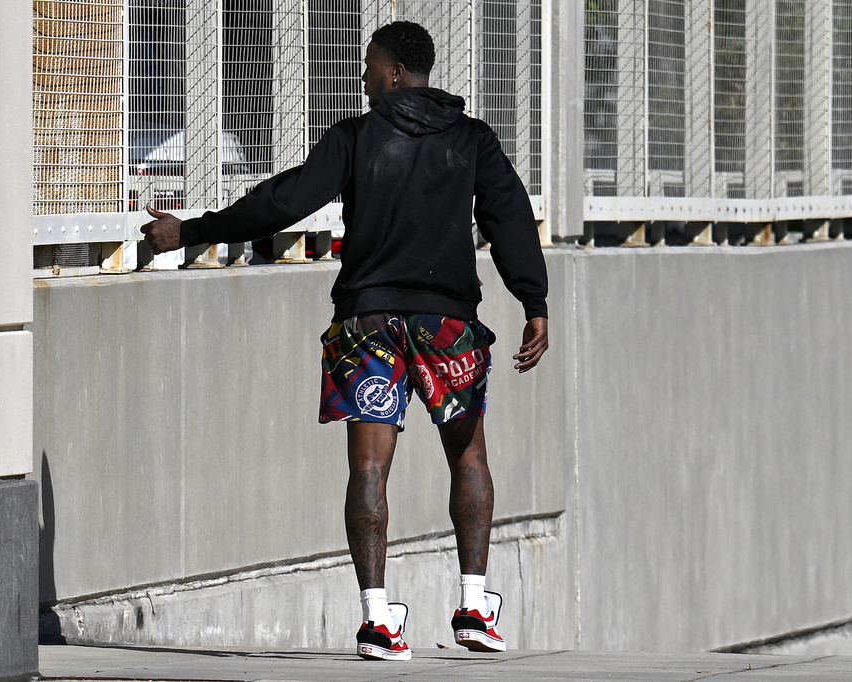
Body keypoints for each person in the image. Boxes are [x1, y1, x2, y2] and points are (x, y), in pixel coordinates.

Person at [141, 21, 549, 661]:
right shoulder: (472, 141)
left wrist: (194, 229)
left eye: (368, 67)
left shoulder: (358, 138)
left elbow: (284, 200)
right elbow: (511, 217)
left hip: (367, 320)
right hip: (446, 326)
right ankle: (474, 608)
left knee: (368, 467)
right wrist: (534, 301)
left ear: (391, 72)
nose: (361, 79)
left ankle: (377, 620)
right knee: (468, 458)